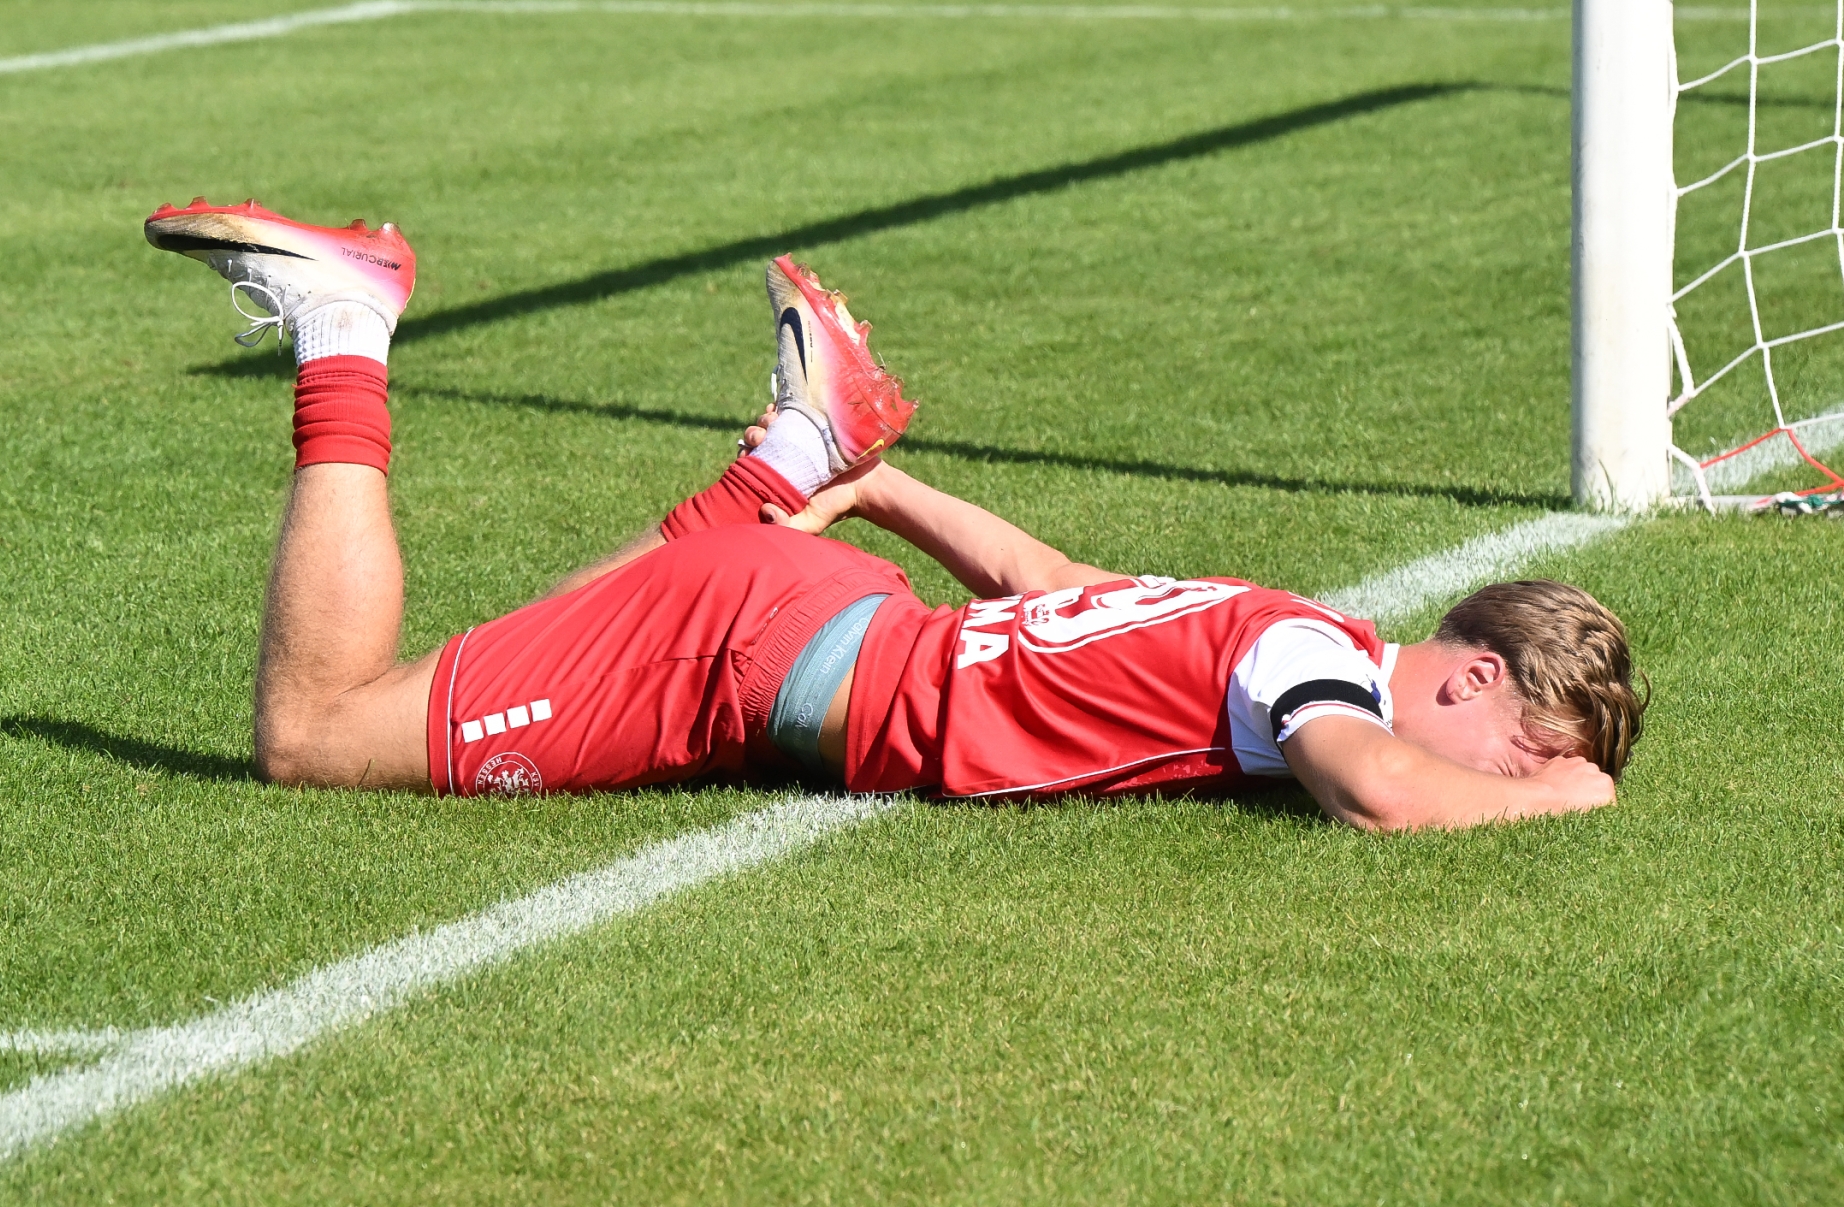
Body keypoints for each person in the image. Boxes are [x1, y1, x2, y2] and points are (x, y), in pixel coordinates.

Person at [143, 199, 1640, 830]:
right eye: (1526, 740)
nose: (1516, 770)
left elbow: (1056, 579)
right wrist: (1552, 800)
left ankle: (794, 461)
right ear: (1473, 676)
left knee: (488, 664)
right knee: (318, 734)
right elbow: (1376, 788)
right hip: (757, 653)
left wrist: (878, 485)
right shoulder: (1320, 679)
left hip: (809, 623)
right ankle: (344, 325)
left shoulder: (1285, 628)